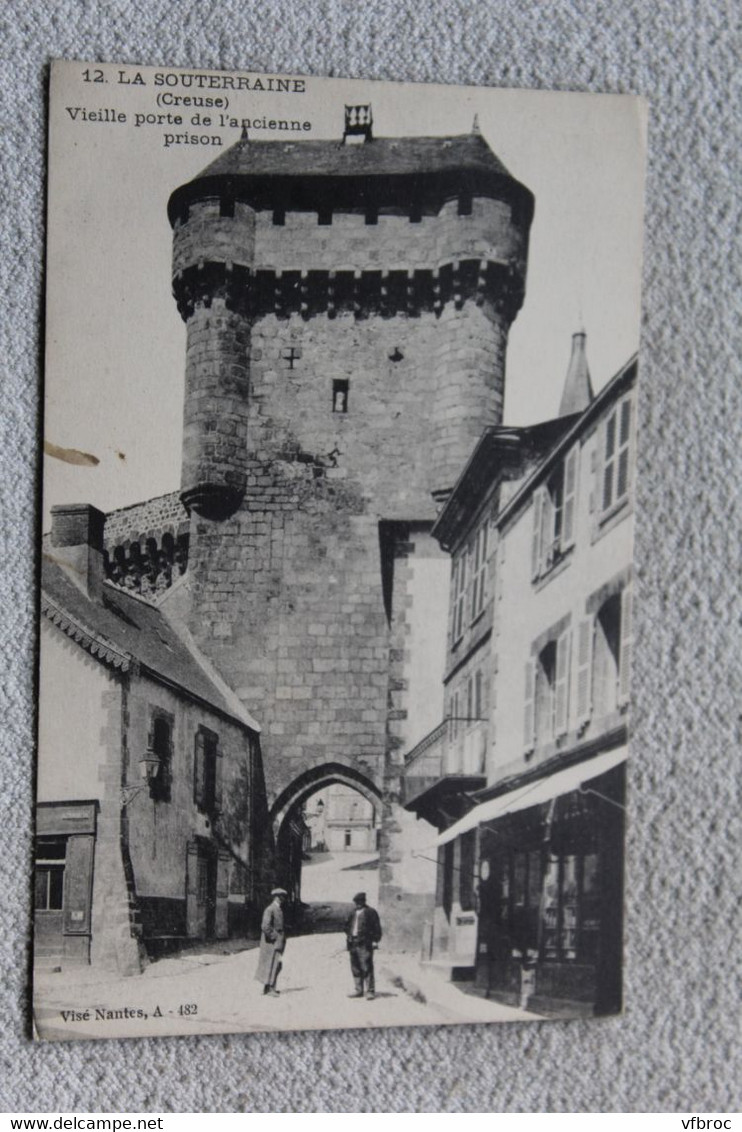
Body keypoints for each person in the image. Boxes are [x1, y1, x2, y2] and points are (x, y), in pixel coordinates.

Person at [345, 891, 382, 1000]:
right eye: (356, 902)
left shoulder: (370, 912)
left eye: (359, 902)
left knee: (367, 967)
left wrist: (375, 941)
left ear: (364, 902)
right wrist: (349, 936)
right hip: (353, 943)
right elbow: (346, 926)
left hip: (365, 944)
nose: (357, 904)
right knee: (355, 967)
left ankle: (370, 991)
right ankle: (358, 990)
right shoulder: (352, 913)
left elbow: (377, 928)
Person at [255, 888, 287, 996]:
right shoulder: (270, 909)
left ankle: (268, 987)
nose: (283, 899)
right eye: (281, 897)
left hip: (277, 941)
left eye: (283, 897)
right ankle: (270, 989)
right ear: (276, 897)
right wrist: (275, 936)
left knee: (275, 964)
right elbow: (265, 926)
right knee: (272, 964)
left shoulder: (278, 909)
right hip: (271, 943)